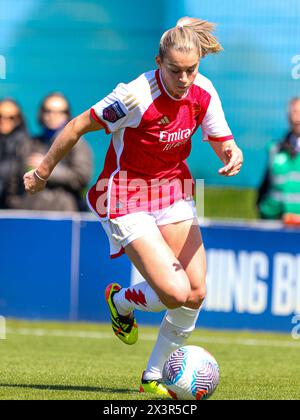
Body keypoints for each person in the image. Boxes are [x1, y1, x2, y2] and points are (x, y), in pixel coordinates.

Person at [24, 17, 243, 397]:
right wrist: (42, 172)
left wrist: (232, 153)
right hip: (126, 197)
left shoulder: (203, 91)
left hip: (174, 191)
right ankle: (120, 300)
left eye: (191, 69)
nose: (185, 79)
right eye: (175, 70)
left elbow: (222, 139)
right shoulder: (134, 96)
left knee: (196, 292)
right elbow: (76, 126)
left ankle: (153, 378)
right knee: (174, 293)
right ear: (158, 61)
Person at [22, 92, 93, 211]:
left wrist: (45, 168)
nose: (53, 115)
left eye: (59, 111)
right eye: (48, 111)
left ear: (67, 115)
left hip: (64, 212)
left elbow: (82, 177)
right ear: (41, 113)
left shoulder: (78, 143)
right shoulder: (32, 142)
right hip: (32, 212)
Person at [257, 97, 300, 220]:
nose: (298, 118)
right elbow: (266, 183)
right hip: (275, 220)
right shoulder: (276, 149)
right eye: (295, 112)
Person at [0, 98, 31, 209]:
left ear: (18, 119)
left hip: (17, 208)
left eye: (10, 117)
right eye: (0, 116)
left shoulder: (28, 145)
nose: (4, 120)